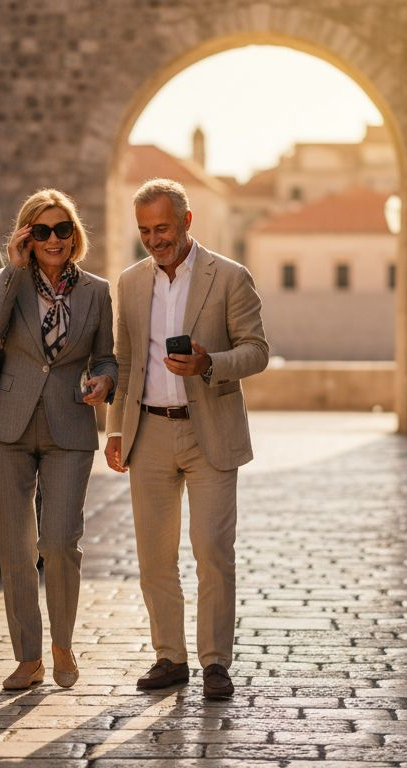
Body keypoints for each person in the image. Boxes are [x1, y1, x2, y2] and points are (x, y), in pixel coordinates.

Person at [104, 178, 268, 700]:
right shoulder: (129, 283)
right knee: (155, 556)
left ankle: (216, 662)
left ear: (187, 222)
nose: (155, 240)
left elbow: (257, 351)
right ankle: (169, 658)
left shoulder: (230, 277)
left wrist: (208, 364)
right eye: (146, 231)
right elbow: (126, 363)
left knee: (213, 550)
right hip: (147, 429)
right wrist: (115, 427)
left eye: (164, 228)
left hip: (210, 432)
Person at [0, 189, 116, 690]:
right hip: (6, 424)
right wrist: (11, 270)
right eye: (42, 231)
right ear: (27, 236)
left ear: (75, 235)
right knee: (15, 547)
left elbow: (107, 357)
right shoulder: (4, 282)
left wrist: (105, 382)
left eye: (63, 230)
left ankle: (62, 645)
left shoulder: (97, 291)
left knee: (59, 543)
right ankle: (28, 658)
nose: (54, 240)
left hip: (69, 426)